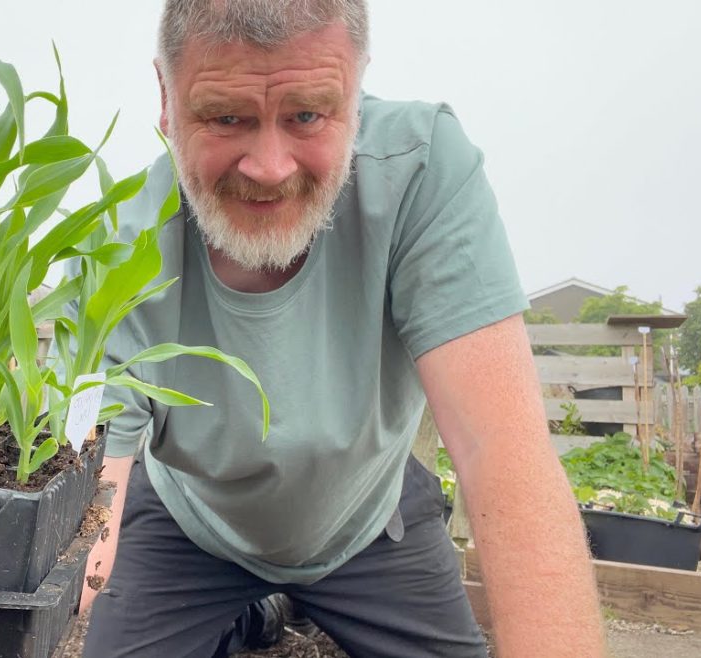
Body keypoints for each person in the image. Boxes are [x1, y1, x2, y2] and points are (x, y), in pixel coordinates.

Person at [75, 1, 606, 656]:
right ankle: (255, 616)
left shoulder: (420, 169)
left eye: (306, 115)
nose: (269, 167)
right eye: (226, 117)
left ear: (355, 94)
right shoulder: (119, 245)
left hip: (366, 515)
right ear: (166, 98)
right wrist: (76, 579)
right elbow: (95, 473)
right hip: (193, 521)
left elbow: (499, 447)